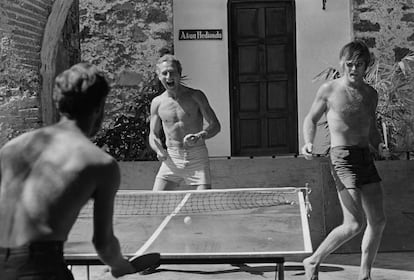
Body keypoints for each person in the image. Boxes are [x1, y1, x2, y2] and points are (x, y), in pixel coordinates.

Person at [0, 63, 135, 279]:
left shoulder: (12, 147)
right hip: (40, 268)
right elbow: (104, 244)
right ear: (99, 107)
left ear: (58, 103)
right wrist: (120, 266)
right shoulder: (100, 163)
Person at [301, 40, 388, 280]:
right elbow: (310, 118)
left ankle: (365, 274)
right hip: (342, 159)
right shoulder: (329, 90)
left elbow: (370, 127)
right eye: (349, 64)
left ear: (366, 66)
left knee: (378, 220)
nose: (353, 69)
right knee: (353, 224)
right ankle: (313, 260)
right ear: (342, 64)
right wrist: (308, 142)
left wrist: (379, 144)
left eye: (359, 64)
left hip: (365, 157)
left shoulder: (371, 94)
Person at [149, 54, 221, 191]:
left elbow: (215, 125)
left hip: (197, 157)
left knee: (203, 204)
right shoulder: (157, 103)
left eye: (172, 72)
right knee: (156, 201)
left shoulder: (196, 96)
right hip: (171, 158)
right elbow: (153, 134)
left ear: (179, 74)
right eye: (164, 73)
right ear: (159, 76)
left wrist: (200, 135)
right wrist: (159, 150)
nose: (169, 77)